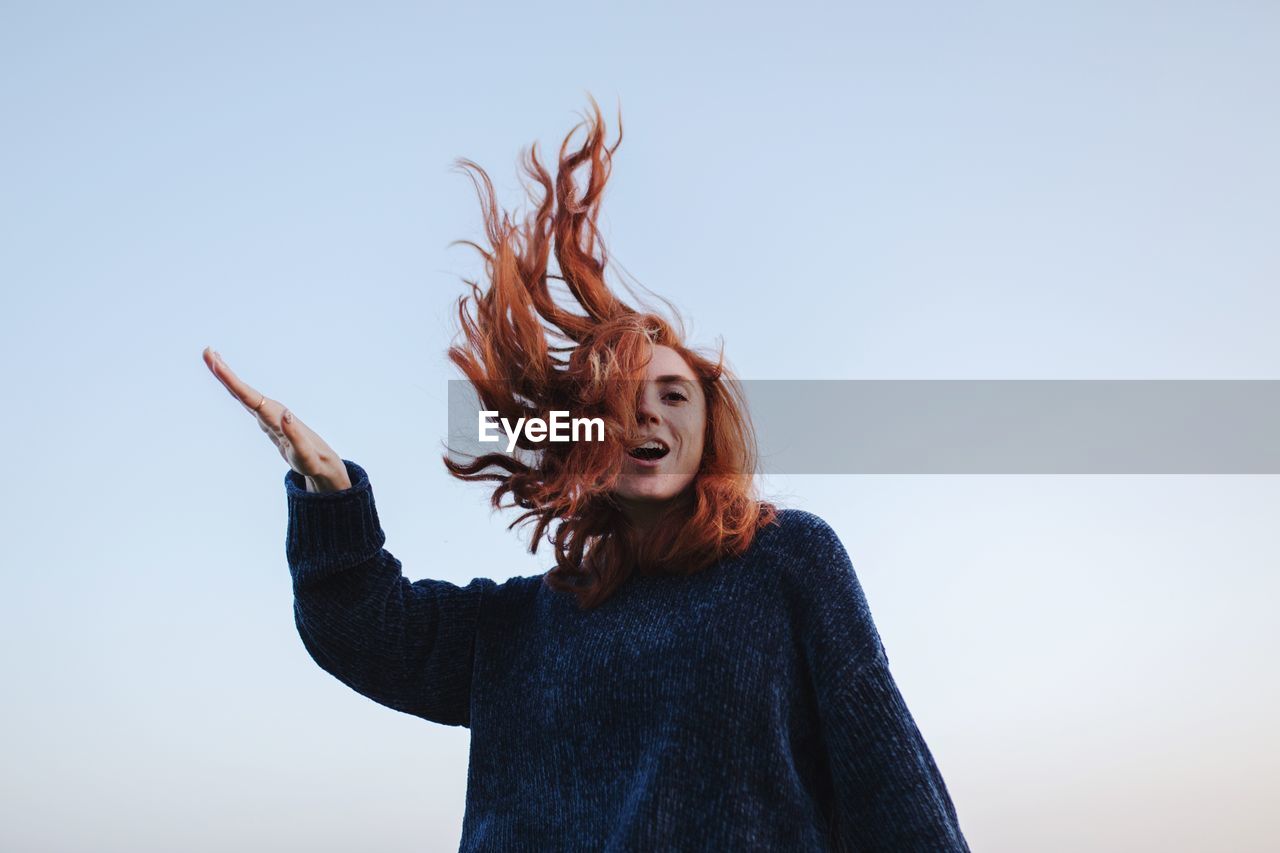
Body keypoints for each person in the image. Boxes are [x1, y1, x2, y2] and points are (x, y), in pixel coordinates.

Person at [202, 98, 971, 852]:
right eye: (619, 401)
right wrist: (329, 492)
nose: (647, 417)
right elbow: (362, 629)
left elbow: (890, 783)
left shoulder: (786, 561)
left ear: (708, 434)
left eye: (673, 396)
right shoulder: (523, 626)